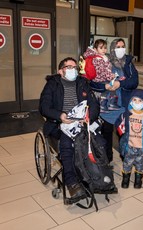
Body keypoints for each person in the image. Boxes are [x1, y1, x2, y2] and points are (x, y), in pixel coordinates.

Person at [39, 57, 99, 201]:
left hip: (81, 123)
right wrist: (60, 115)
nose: (73, 70)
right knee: (67, 143)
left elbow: (94, 105)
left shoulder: (83, 83)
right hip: (60, 123)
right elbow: (44, 107)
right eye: (69, 67)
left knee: (98, 141)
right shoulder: (52, 84)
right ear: (61, 71)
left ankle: (97, 176)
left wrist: (88, 116)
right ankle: (72, 182)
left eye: (74, 67)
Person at [88, 38, 139, 163]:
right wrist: (105, 86)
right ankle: (107, 160)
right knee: (106, 134)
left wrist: (119, 83)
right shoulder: (103, 61)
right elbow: (93, 82)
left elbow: (134, 82)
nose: (121, 49)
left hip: (123, 106)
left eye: (123, 46)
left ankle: (126, 160)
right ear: (112, 48)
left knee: (124, 135)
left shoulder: (128, 63)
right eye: (118, 46)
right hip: (106, 108)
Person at [115, 89, 143, 189]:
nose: (137, 103)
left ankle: (138, 180)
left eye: (140, 101)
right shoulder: (126, 114)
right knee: (127, 163)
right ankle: (126, 179)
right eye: (135, 100)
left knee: (140, 164)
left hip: (141, 147)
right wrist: (121, 127)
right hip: (129, 145)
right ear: (131, 101)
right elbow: (117, 123)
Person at [83, 39, 120, 112]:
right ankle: (103, 105)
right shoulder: (97, 59)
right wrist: (111, 76)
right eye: (101, 48)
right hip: (100, 79)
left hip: (103, 78)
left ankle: (112, 104)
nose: (104, 50)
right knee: (106, 90)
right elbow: (102, 71)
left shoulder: (103, 57)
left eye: (105, 48)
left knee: (113, 88)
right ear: (95, 49)